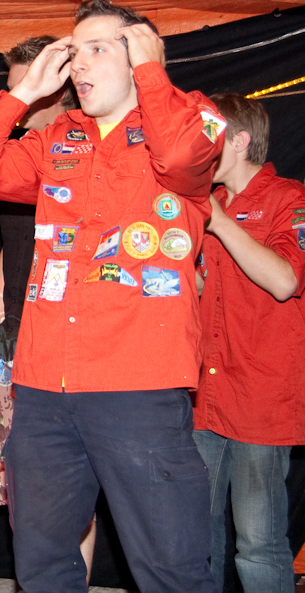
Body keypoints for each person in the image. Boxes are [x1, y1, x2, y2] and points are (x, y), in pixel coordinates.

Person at [0, 0, 224, 592]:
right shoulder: (57, 138)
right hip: (44, 386)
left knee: (172, 571)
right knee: (42, 566)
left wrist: (152, 72)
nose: (79, 64)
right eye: (76, 52)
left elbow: (181, 158)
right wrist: (23, 94)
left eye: (98, 48)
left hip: (138, 387)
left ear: (140, 52)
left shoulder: (193, 119)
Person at [0, 36, 99, 578]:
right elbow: (13, 245)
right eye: (12, 88)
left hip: (73, 344)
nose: (15, 97)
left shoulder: (88, 148)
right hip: (17, 340)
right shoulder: (22, 153)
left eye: (23, 85)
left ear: (59, 86)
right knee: (21, 487)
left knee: (71, 491)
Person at [192, 93, 305, 592]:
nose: (198, 150)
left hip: (259, 397)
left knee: (258, 543)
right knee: (197, 536)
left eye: (208, 139)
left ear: (239, 141)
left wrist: (219, 222)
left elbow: (284, 281)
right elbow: (201, 287)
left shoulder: (289, 199)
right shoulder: (205, 202)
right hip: (204, 394)